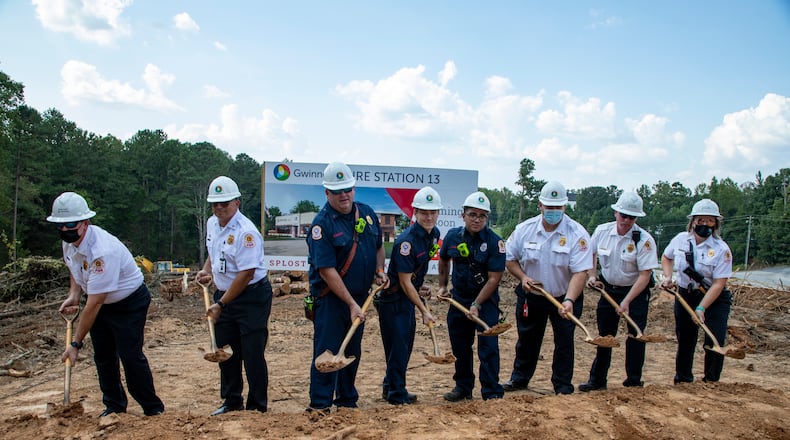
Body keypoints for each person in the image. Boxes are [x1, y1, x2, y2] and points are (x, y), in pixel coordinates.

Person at [48, 192, 165, 417]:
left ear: (85, 223)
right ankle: (114, 405)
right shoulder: (69, 244)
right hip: (101, 301)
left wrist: (75, 343)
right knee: (103, 355)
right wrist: (74, 294)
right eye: (60, 225)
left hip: (129, 302)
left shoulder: (103, 251)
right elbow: (76, 269)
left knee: (130, 355)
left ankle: (152, 408)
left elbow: (94, 303)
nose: (65, 230)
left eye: (70, 224)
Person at [306, 162, 387, 412]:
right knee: (327, 353)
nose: (344, 195)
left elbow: (378, 247)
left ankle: (346, 400)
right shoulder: (322, 225)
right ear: (326, 193)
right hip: (331, 301)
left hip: (360, 298)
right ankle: (320, 405)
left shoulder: (368, 214)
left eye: (348, 189)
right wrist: (351, 304)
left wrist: (379, 270)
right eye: (337, 190)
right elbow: (327, 270)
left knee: (352, 350)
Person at [502, 181, 593, 395]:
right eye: (549, 207)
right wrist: (523, 277)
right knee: (527, 339)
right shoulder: (525, 230)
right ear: (540, 205)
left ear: (564, 207)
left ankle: (562, 385)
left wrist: (569, 300)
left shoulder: (577, 234)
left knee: (564, 342)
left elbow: (580, 272)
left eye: (558, 207)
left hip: (564, 296)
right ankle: (520, 379)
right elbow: (509, 258)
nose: (553, 211)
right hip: (532, 296)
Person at [196, 176, 273, 415]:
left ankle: (257, 406)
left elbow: (246, 273)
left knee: (252, 353)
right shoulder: (212, 223)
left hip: (251, 297)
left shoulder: (246, 233)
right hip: (224, 295)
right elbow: (214, 251)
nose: (219, 208)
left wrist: (221, 304)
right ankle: (231, 401)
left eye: (225, 203)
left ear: (237, 202)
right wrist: (206, 270)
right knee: (226, 350)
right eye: (215, 204)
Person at [579, 192, 658, 392]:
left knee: (636, 336)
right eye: (623, 215)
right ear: (616, 212)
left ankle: (633, 380)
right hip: (609, 290)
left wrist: (627, 301)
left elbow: (645, 275)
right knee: (605, 337)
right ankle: (597, 380)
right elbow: (590, 252)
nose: (626, 220)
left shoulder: (644, 240)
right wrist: (591, 276)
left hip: (636, 292)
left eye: (631, 217)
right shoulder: (602, 231)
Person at [437, 191, 506, 402]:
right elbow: (443, 259)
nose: (477, 219)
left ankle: (491, 390)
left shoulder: (496, 242)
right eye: (472, 214)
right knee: (460, 346)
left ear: (487, 218)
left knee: (488, 346)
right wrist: (442, 286)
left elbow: (494, 278)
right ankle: (463, 387)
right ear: (463, 215)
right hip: (458, 299)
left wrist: (477, 304)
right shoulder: (452, 237)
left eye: (482, 216)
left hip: (486, 301)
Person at [377, 186, 441, 405]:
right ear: (415, 212)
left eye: (433, 212)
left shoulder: (434, 236)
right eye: (424, 212)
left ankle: (390, 387)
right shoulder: (406, 242)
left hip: (407, 298)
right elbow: (403, 281)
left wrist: (420, 286)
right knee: (398, 348)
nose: (429, 216)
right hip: (393, 300)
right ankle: (396, 393)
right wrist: (424, 310)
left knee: (405, 346)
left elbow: (413, 276)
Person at [660, 199, 733, 383]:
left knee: (713, 339)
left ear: (715, 223)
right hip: (686, 295)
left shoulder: (721, 249)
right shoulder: (680, 240)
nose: (704, 224)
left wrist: (701, 308)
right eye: (700, 220)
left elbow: (718, 283)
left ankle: (711, 381)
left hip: (713, 299)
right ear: (692, 221)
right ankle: (683, 379)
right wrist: (668, 277)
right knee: (685, 338)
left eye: (709, 220)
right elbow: (666, 257)